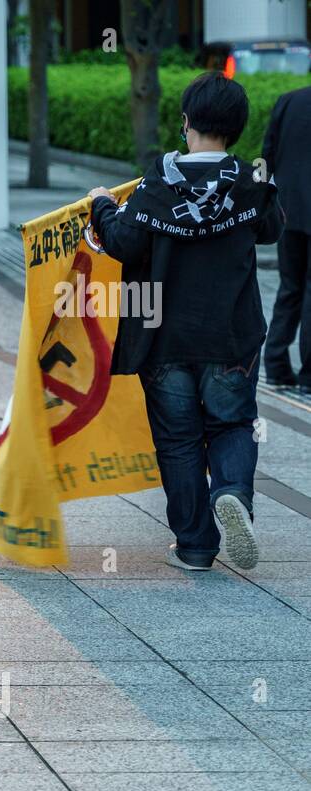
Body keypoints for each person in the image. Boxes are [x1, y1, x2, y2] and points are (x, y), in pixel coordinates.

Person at [88, 72, 282, 572]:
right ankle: (234, 492)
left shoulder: (158, 184)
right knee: (232, 423)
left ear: (186, 122)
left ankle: (195, 546)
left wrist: (102, 205)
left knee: (177, 440)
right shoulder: (250, 181)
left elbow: (124, 243)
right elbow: (271, 230)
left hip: (164, 335)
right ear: (237, 127)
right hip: (231, 336)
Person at [261, 82, 311, 393]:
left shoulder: (288, 100)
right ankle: (309, 375)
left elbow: (267, 155)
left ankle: (276, 364)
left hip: (287, 211)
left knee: (290, 286)